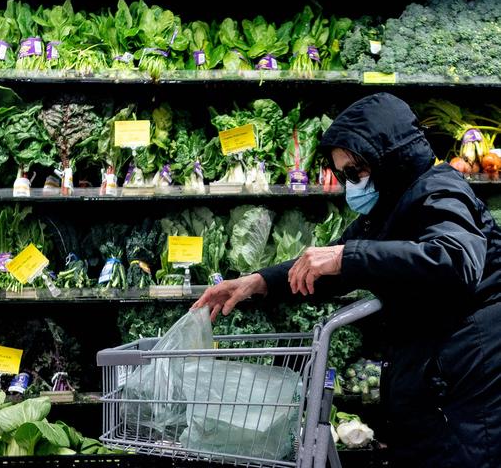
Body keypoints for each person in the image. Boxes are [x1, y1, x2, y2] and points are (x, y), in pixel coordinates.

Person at [192, 92, 501, 467]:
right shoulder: (391, 206)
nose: (349, 184)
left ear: (390, 159)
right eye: (343, 175)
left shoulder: (440, 190)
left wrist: (346, 256)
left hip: (465, 383)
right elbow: (330, 269)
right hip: (434, 377)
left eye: (355, 172)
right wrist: (256, 282)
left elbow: (456, 260)